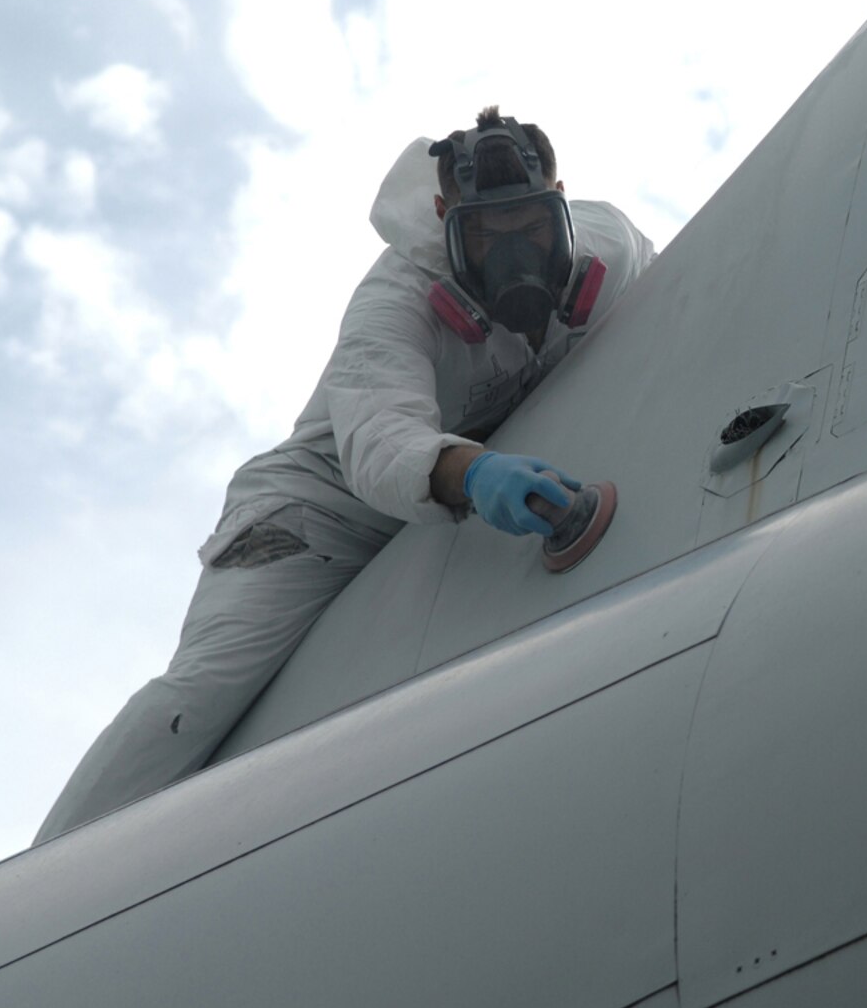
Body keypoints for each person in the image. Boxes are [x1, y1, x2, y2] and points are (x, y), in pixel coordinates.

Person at [35, 108, 654, 843]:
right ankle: (28, 894)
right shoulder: (395, 301)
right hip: (312, 518)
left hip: (445, 499)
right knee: (200, 695)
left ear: (561, 197)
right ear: (442, 217)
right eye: (488, 236)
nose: (516, 256)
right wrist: (477, 472)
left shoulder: (608, 245)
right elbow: (380, 443)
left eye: (533, 228)